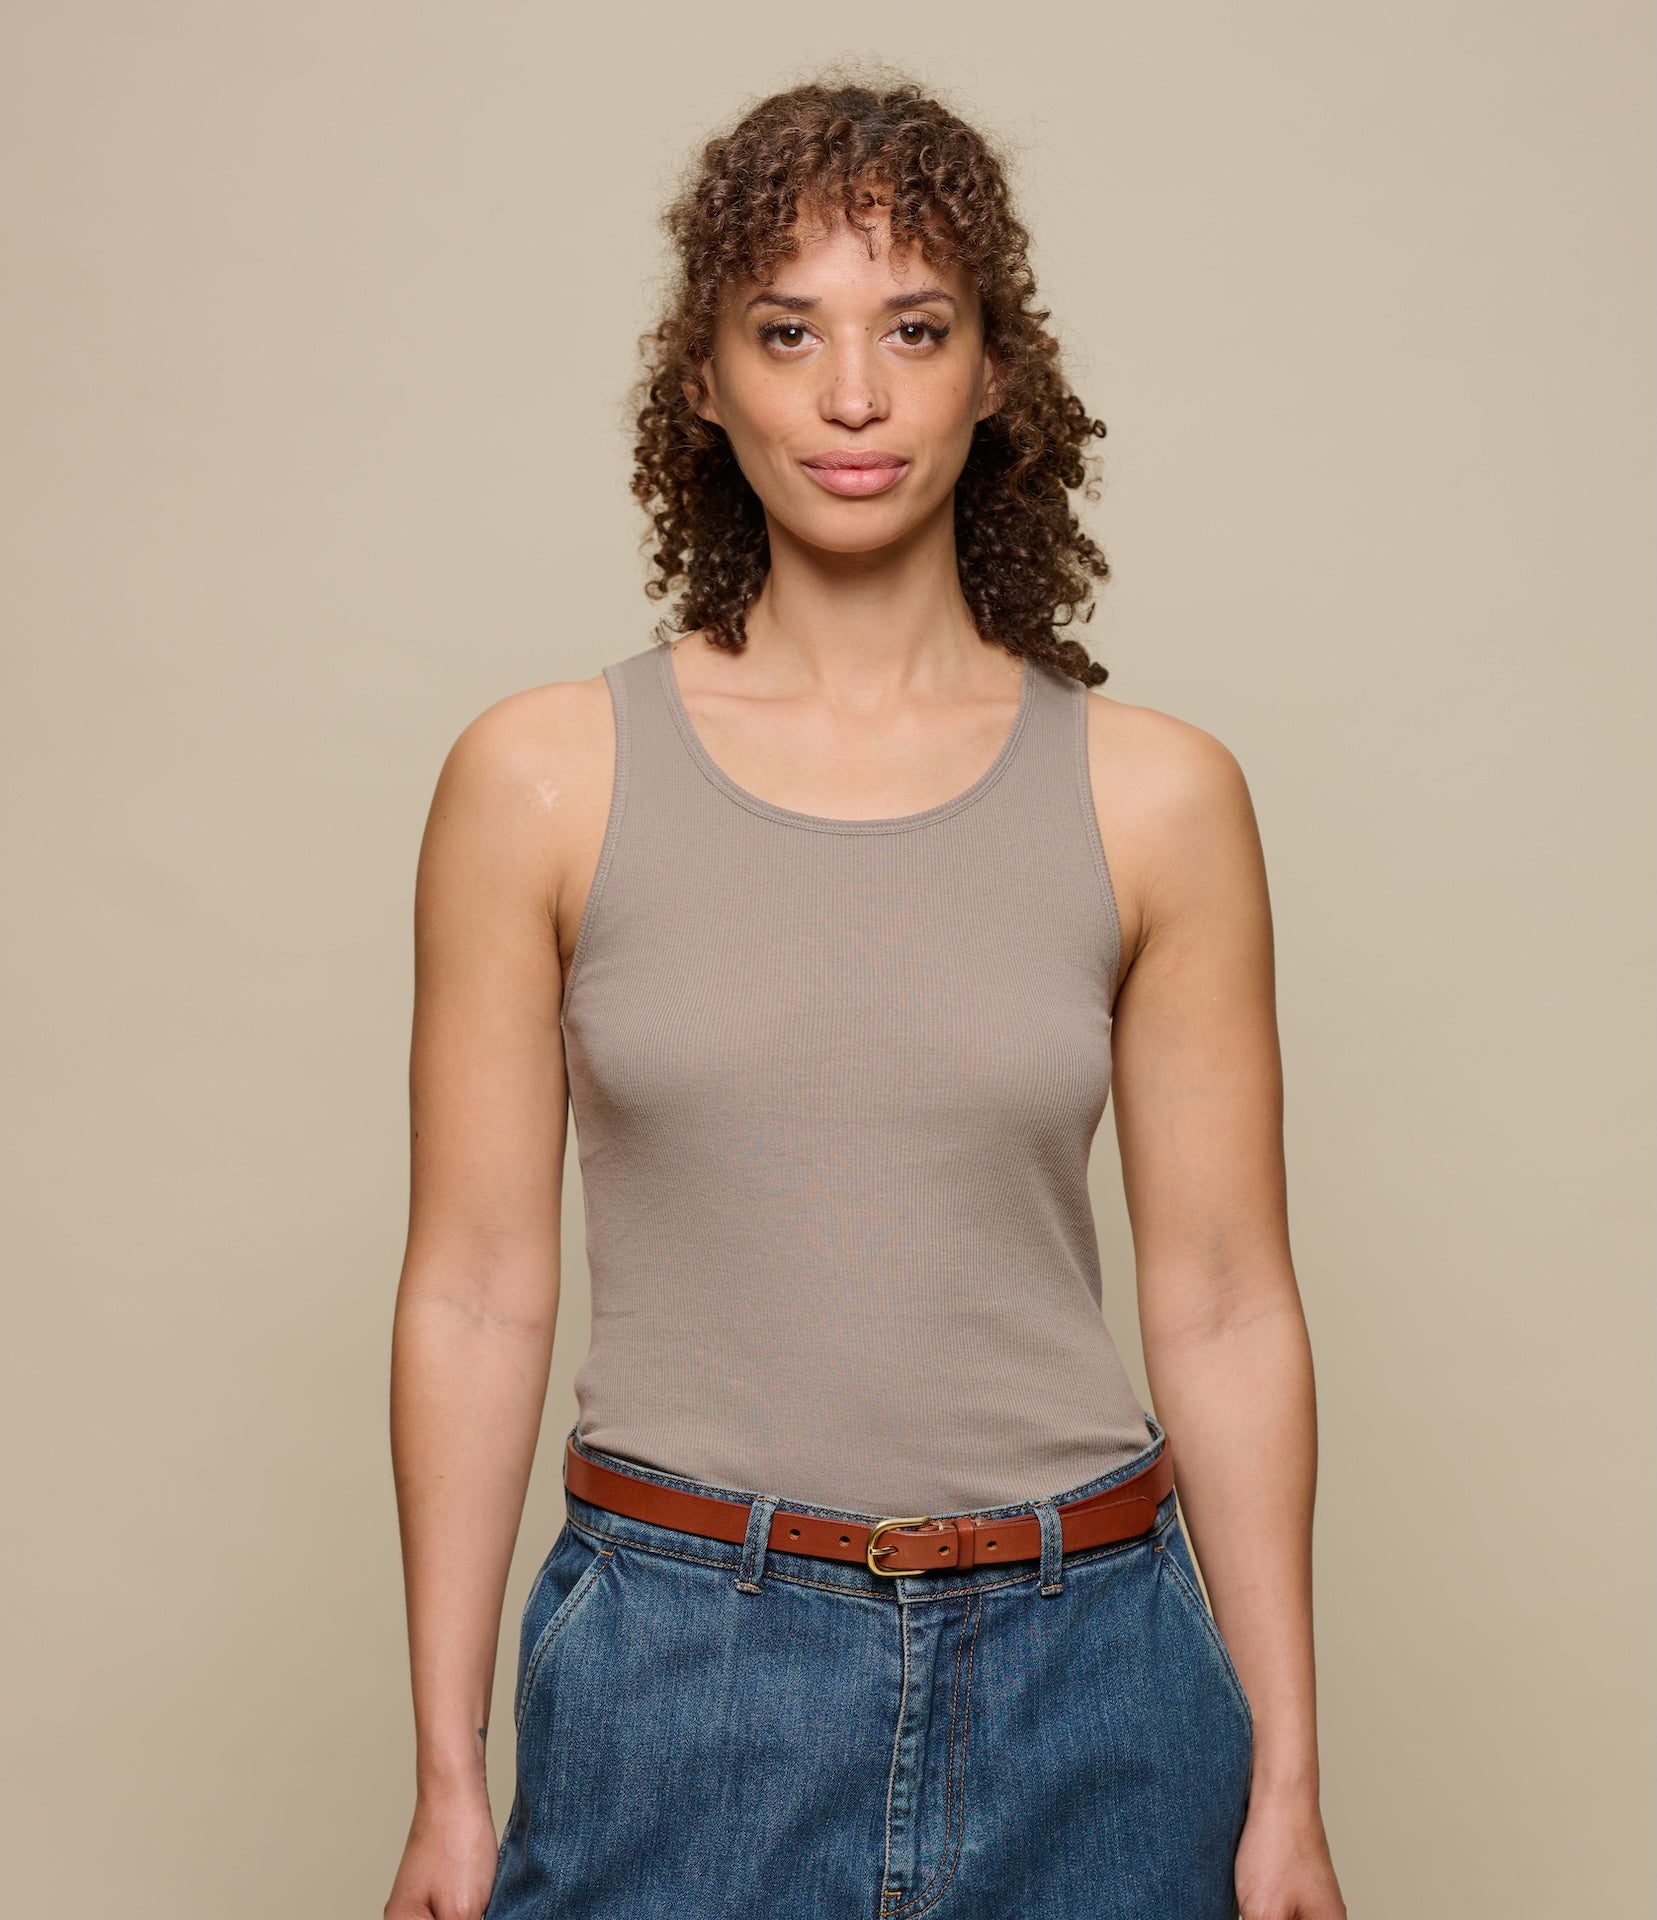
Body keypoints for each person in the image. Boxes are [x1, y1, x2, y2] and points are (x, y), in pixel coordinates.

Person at [384, 73, 1347, 1920]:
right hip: (679, 1676)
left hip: (1099, 1682)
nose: (851, 395)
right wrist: (446, 1772)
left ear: (998, 371)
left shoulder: (1156, 798)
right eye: (786, 331)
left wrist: (1287, 1781)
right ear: (702, 376)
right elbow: (477, 1288)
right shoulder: (538, 779)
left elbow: (1223, 1303)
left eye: (913, 329)